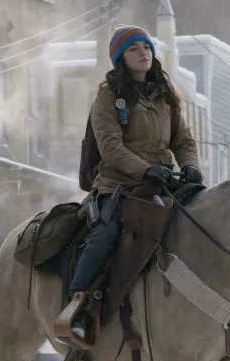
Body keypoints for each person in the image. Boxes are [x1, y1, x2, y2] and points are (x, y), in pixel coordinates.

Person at [57, 24, 202, 343]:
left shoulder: (166, 96)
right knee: (107, 233)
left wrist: (190, 166)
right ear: (121, 57)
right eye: (135, 48)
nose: (144, 52)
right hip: (118, 186)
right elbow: (110, 146)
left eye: (147, 47)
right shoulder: (108, 97)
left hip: (164, 184)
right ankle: (77, 306)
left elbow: (184, 141)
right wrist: (145, 170)